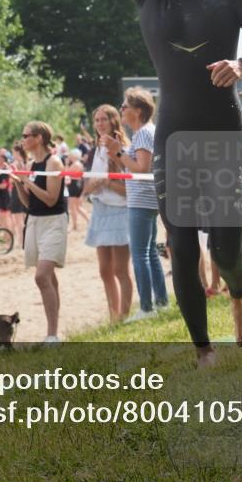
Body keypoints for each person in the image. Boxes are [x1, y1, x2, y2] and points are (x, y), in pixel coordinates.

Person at [120, 0, 242, 366]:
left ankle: (239, 292)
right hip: (174, 140)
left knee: (225, 248)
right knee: (184, 245)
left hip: (223, 137)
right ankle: (203, 349)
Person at [103, 87, 170, 318]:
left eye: (125, 106)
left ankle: (146, 308)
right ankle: (161, 302)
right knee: (150, 252)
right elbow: (136, 167)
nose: (121, 109)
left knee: (140, 253)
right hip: (147, 198)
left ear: (138, 111)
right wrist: (118, 154)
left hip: (142, 199)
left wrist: (118, 153)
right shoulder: (146, 132)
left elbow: (141, 169)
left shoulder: (143, 134)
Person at [12, 122, 68, 343]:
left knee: (42, 276)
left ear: (39, 138)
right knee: (48, 278)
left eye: (26, 135)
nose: (23, 139)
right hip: (35, 221)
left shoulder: (53, 161)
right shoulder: (31, 163)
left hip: (54, 221)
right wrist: (18, 184)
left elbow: (51, 198)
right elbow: (29, 202)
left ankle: (52, 334)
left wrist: (27, 181)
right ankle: (52, 332)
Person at [83, 105, 134, 322]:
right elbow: (86, 188)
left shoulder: (122, 149)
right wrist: (94, 185)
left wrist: (108, 181)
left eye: (104, 119)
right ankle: (113, 315)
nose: (99, 124)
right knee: (104, 269)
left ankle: (124, 314)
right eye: (96, 120)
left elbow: (130, 190)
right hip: (100, 210)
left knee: (120, 269)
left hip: (120, 211)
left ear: (114, 121)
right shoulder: (95, 151)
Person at [9, 141, 30, 247]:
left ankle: (21, 242)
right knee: (24, 218)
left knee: (18, 220)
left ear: (17, 152)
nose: (12, 154)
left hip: (17, 191)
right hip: (26, 190)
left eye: (13, 152)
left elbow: (12, 181)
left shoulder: (16, 164)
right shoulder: (28, 162)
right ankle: (23, 241)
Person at [65, 149, 90, 232]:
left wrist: (66, 164)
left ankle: (75, 225)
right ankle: (86, 222)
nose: (69, 156)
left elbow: (66, 172)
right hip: (77, 184)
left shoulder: (75, 164)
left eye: (70, 155)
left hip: (74, 185)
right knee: (77, 207)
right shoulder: (79, 164)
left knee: (74, 207)